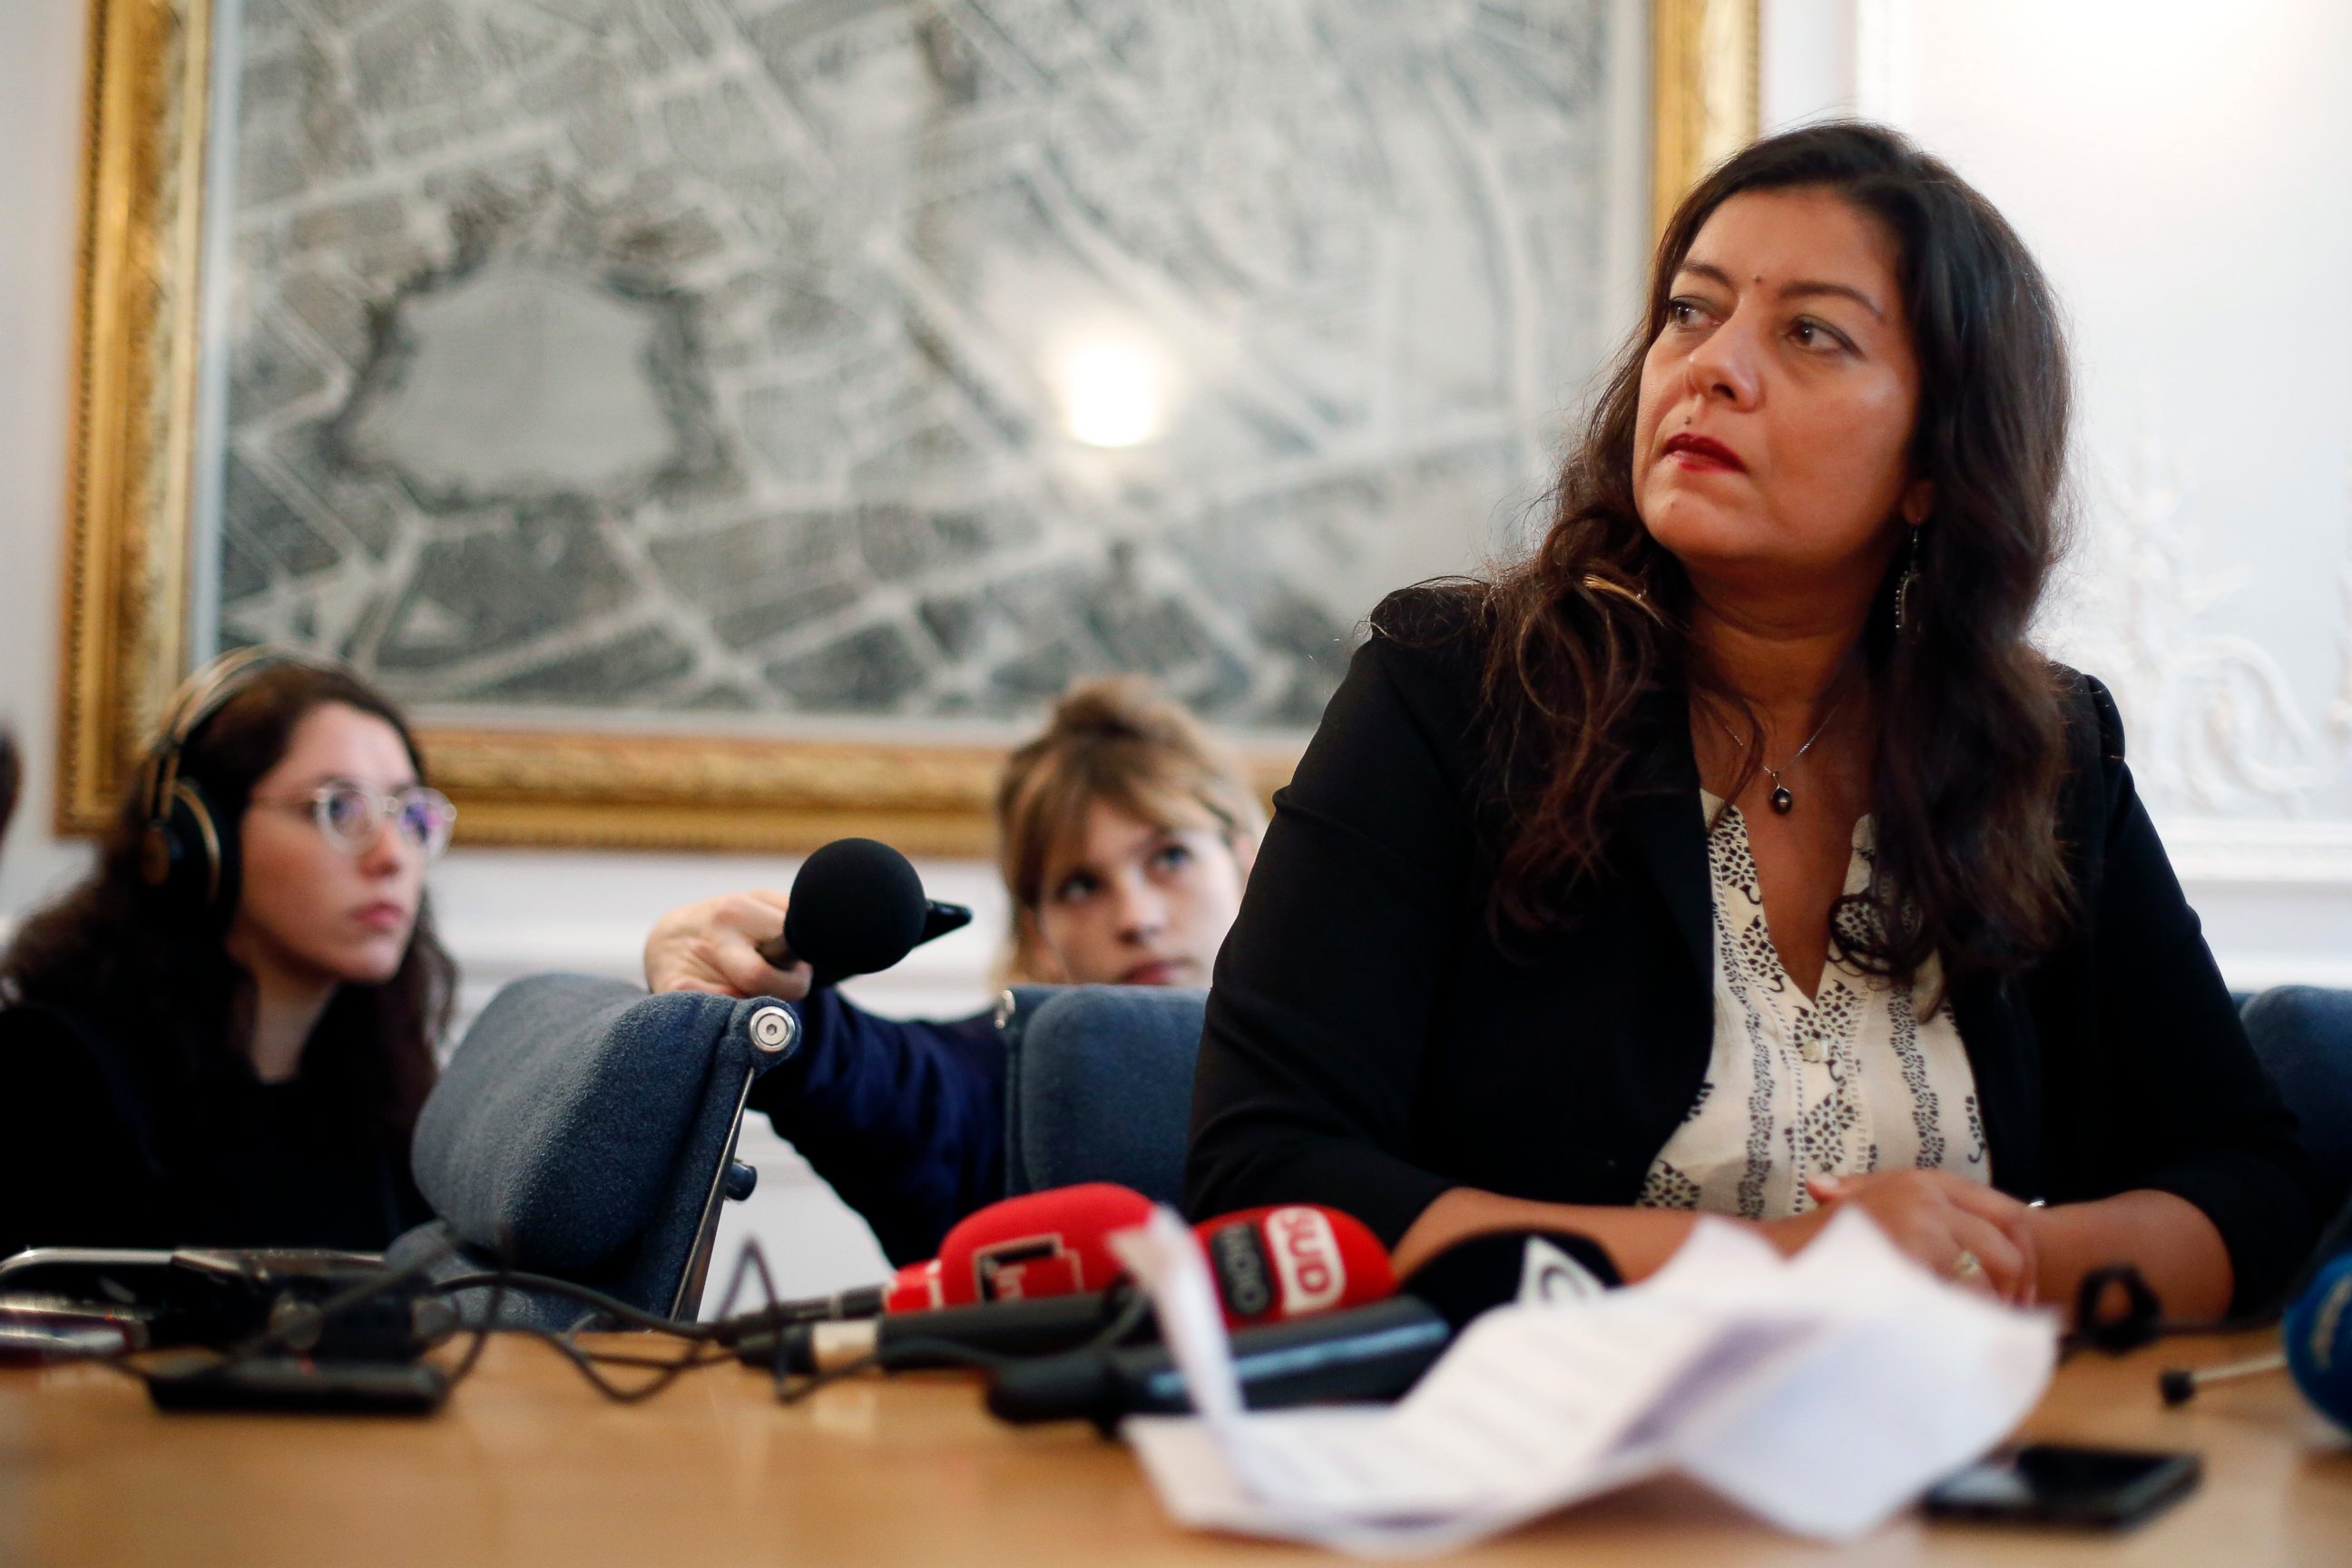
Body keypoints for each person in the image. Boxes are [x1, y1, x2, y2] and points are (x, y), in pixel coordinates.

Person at [1185, 122, 2321, 1321]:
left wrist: (1983, 1265)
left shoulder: (2042, 751)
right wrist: (1788, 1269)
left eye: (1810, 333)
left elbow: (2247, 1186)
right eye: (1692, 310)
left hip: (1957, 1472)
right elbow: (1267, 1177)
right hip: (1539, 1468)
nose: (1711, 366)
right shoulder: (1455, 690)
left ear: (1938, 459)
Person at [642, 676, 1261, 1264]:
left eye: (1170, 856)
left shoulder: (1346, 1046)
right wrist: (740, 973)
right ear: (1037, 933)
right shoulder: (994, 1087)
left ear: (1246, 863)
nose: (1137, 917)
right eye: (1079, 886)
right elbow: (867, 1076)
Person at [0, 650, 458, 1256]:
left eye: (409, 815)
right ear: (200, 841)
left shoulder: (391, 1103)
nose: (393, 856)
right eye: (339, 808)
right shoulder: (53, 1073)